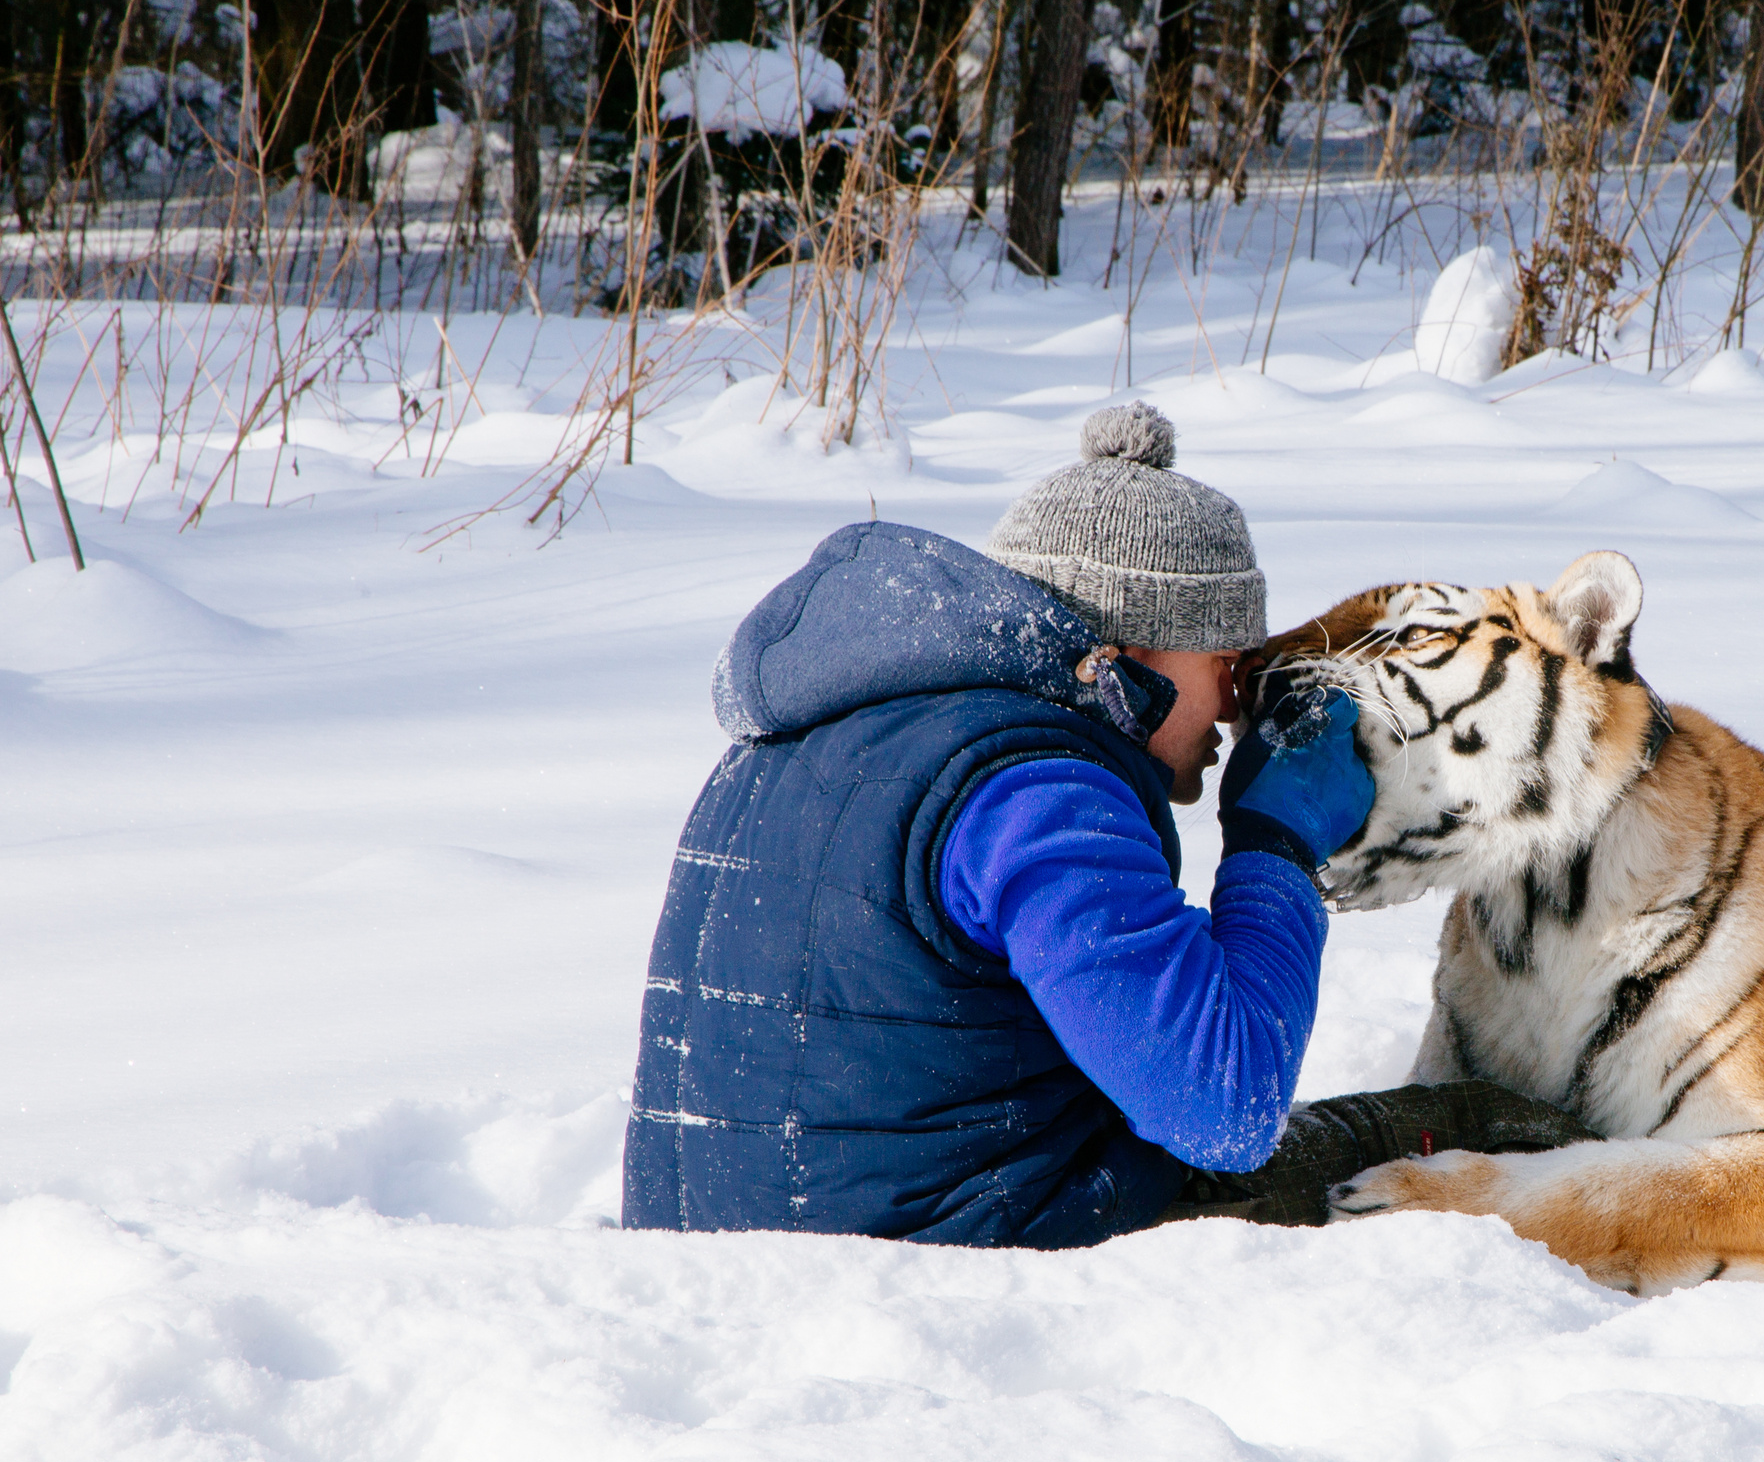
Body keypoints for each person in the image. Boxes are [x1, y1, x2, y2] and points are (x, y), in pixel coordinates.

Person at [621, 402, 1590, 1247]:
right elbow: (1226, 1109)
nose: (1231, 707)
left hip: (715, 1258)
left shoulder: (802, 735)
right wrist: (1274, 844)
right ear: (1133, 651)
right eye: (1225, 662)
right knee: (1457, 1134)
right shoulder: (1034, 793)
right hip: (939, 1273)